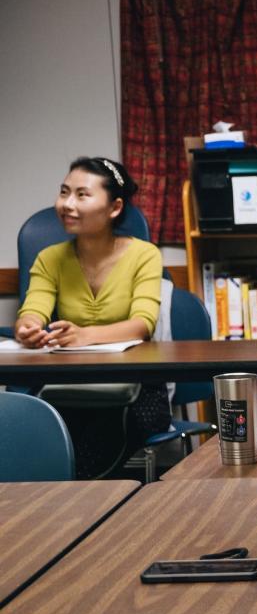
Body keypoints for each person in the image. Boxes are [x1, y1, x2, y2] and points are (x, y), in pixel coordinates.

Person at [14, 156, 170, 477]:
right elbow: (33, 310)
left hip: (134, 388)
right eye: (63, 192)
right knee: (35, 431)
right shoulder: (50, 258)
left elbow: (142, 325)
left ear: (114, 208)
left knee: (86, 455)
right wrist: (27, 329)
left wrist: (85, 334)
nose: (67, 204)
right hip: (71, 387)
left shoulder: (144, 255)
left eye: (82, 195)